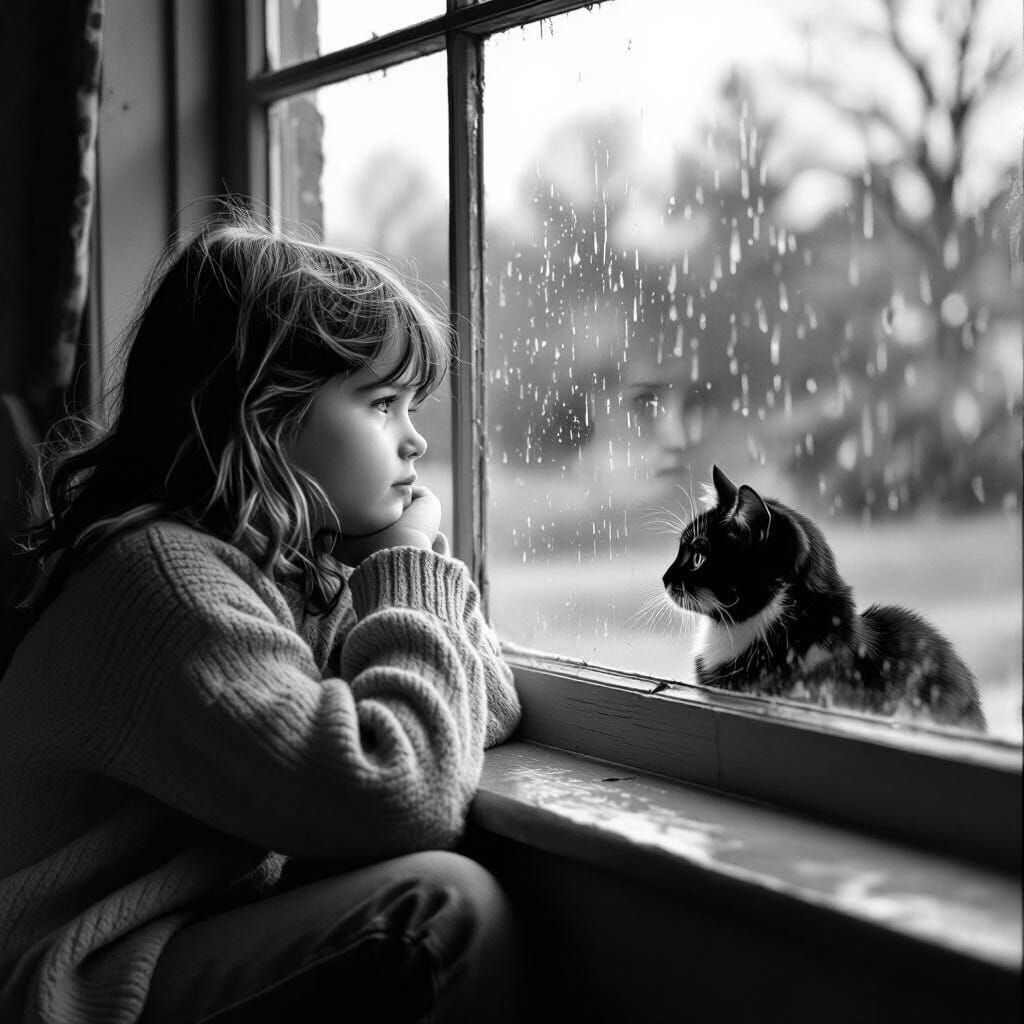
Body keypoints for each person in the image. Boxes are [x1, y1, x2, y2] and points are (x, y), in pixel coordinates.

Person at [0, 207, 533, 1024]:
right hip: (82, 978)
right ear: (265, 417)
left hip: (183, 936)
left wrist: (394, 575)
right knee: (440, 909)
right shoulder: (162, 580)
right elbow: (404, 791)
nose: (416, 443)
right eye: (385, 403)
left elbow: (487, 703)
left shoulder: (285, 570)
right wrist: (411, 569)